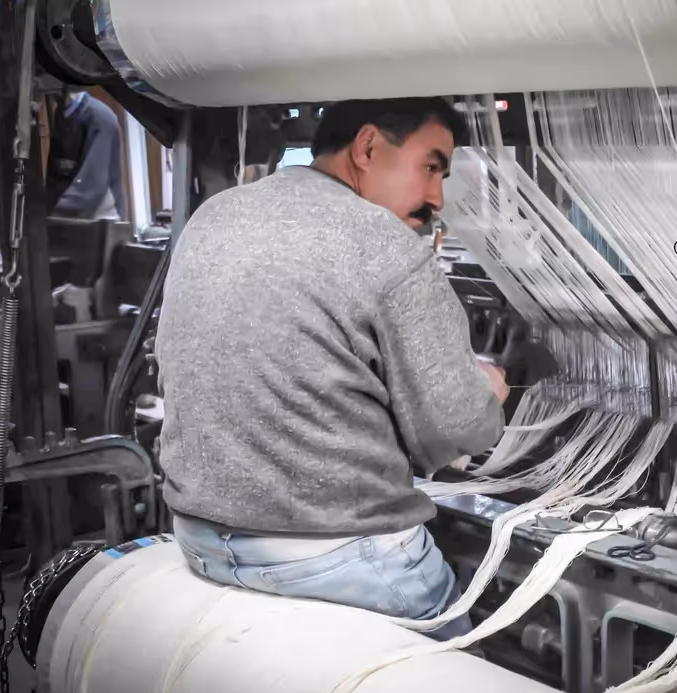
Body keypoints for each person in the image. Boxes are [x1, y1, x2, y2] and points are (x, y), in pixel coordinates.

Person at [154, 98, 509, 641]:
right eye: (431, 167)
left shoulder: (214, 216)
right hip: (341, 559)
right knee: (471, 691)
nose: (437, 197)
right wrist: (484, 390)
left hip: (202, 542)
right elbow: (454, 433)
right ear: (367, 147)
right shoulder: (383, 242)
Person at [46, 88, 127, 221]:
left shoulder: (100, 117)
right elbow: (55, 176)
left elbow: (92, 187)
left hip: (103, 219)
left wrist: (51, 215)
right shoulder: (61, 114)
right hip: (72, 219)